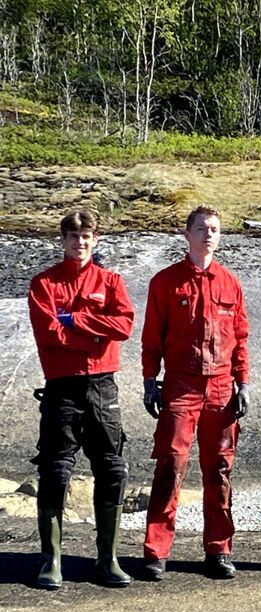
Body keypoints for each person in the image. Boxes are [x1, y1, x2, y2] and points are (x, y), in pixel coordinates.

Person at [141, 205, 250, 581]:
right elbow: (152, 336)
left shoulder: (230, 283)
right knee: (171, 465)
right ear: (186, 235)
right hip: (181, 386)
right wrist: (148, 380)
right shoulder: (166, 282)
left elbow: (240, 338)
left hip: (220, 388)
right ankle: (156, 550)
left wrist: (243, 382)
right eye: (201, 228)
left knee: (219, 469)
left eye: (215, 229)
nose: (208, 234)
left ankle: (218, 550)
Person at [27, 209, 135, 589]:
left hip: (103, 386)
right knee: (56, 469)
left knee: (112, 467)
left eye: (87, 235)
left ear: (96, 239)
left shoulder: (111, 281)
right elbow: (50, 334)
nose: (80, 242)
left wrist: (76, 320)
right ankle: (51, 559)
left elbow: (123, 326)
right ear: (63, 240)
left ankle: (107, 559)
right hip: (62, 388)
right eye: (73, 236)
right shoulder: (43, 284)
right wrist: (92, 333)